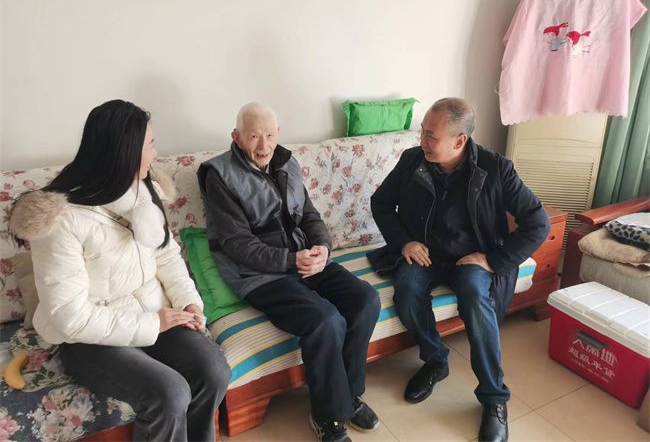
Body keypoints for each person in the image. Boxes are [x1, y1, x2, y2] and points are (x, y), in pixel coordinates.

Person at [10, 100, 231, 442]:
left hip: (152, 312)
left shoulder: (143, 191)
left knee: (214, 370)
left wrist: (188, 302)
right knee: (170, 392)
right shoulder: (61, 219)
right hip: (88, 338)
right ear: (124, 152)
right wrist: (153, 324)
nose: (155, 154)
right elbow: (70, 316)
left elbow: (167, 255)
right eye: (150, 145)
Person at [369, 98, 550, 442]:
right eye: (422, 131)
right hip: (425, 255)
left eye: (431, 135)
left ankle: (494, 399)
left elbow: (538, 222)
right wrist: (404, 242)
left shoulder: (496, 169)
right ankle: (436, 361)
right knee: (407, 290)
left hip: (472, 259)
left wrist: (494, 261)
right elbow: (381, 203)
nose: (422, 140)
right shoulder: (412, 161)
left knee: (474, 296)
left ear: (459, 140)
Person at [197, 102, 381, 442]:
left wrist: (322, 247)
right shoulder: (218, 175)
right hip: (258, 275)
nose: (263, 145)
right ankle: (329, 417)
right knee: (325, 319)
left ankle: (348, 395)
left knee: (365, 299)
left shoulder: (287, 162)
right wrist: (292, 261)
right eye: (254, 136)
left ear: (278, 133)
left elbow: (308, 214)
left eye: (269, 135)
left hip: (302, 259)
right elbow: (238, 244)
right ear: (237, 137)